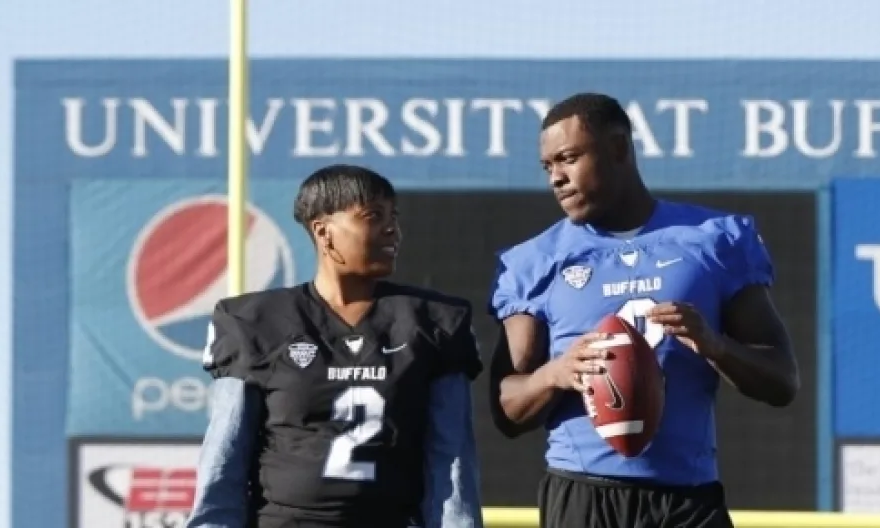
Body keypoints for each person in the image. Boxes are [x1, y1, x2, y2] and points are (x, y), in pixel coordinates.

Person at [487, 93, 800, 528]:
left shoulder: (713, 240)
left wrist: (716, 346)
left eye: (569, 158)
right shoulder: (533, 261)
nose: (556, 178)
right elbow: (507, 410)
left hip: (687, 499)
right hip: (584, 497)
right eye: (548, 166)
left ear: (618, 148)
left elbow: (783, 381)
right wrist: (555, 373)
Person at [186, 164, 485, 528]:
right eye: (373, 216)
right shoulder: (256, 322)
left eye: (394, 216)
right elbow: (225, 456)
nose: (393, 229)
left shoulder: (432, 321)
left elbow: (449, 459)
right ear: (323, 231)